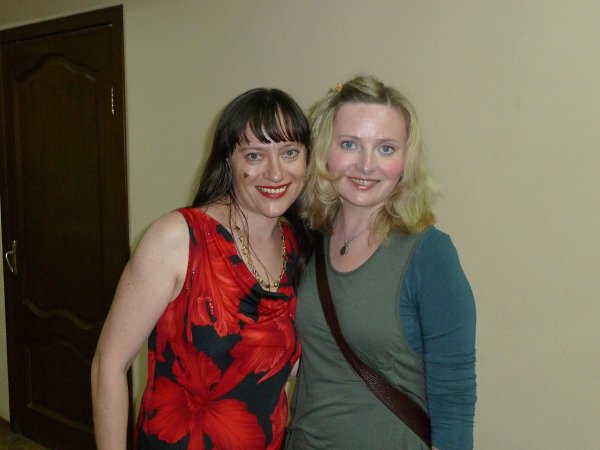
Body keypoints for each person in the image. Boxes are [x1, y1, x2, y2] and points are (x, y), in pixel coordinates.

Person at [91, 87, 311, 450]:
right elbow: (108, 366)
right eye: (254, 155)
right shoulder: (178, 239)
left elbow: (280, 366)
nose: (275, 172)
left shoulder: (299, 246)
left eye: (289, 153)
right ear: (228, 161)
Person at [285, 76, 476, 450]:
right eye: (349, 144)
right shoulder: (306, 241)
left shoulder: (430, 254)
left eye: (386, 148)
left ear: (405, 161)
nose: (366, 165)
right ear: (324, 151)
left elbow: (454, 398)